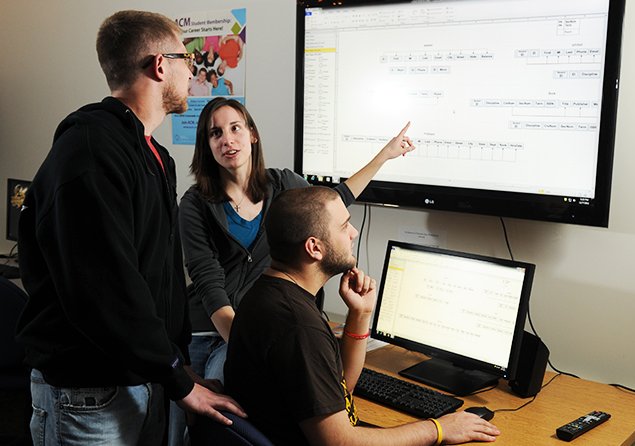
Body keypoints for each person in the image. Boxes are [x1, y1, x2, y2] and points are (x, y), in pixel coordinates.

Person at [15, 10, 244, 445]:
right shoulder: (90, 151)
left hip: (143, 379)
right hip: (87, 394)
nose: (192, 67)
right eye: (184, 57)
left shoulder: (154, 156)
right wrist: (179, 380)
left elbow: (155, 278)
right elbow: (106, 290)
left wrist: (178, 368)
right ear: (160, 65)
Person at [171, 97, 414, 444]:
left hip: (257, 323)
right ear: (206, 146)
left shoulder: (282, 185)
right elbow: (210, 285)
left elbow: (330, 204)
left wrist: (385, 155)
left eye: (236, 127)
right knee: (206, 414)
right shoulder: (195, 204)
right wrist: (247, 341)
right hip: (216, 326)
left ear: (252, 134)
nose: (228, 139)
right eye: (215, 133)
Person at [223, 186, 502, 445]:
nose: (354, 232)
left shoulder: (270, 294)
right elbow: (340, 442)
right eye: (344, 226)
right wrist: (440, 428)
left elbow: (341, 388)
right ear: (314, 248)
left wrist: (360, 313)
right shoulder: (298, 325)